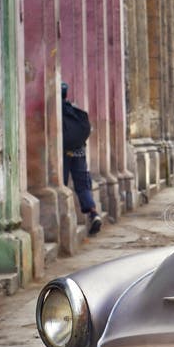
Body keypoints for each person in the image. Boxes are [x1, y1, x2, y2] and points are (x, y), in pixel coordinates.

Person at [61, 82, 101, 235]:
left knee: (62, 186)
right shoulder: (74, 110)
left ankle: (65, 219)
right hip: (79, 152)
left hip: (64, 154)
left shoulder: (55, 112)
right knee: (83, 185)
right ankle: (93, 213)